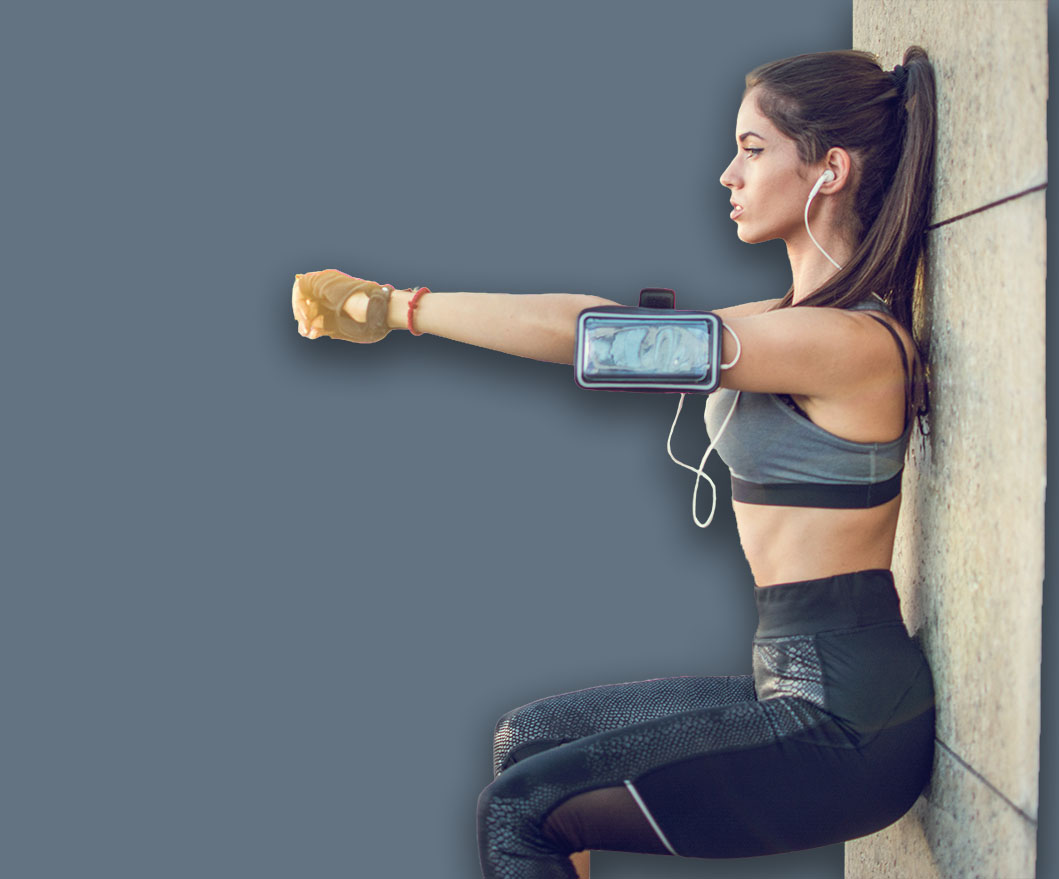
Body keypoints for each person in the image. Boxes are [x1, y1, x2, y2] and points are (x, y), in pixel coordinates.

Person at [292, 46, 937, 879]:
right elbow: (604, 328)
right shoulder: (795, 323)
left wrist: (400, 308)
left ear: (831, 170)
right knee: (525, 741)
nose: (727, 175)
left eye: (752, 148)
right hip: (798, 687)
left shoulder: (846, 341)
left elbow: (594, 338)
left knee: (519, 812)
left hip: (846, 725)